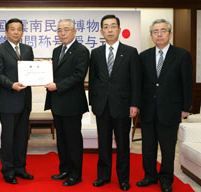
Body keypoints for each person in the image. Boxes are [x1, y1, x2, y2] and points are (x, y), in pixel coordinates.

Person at [137, 19, 193, 192]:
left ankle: (166, 179)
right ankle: (150, 176)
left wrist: (186, 107)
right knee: (148, 146)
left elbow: (187, 83)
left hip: (170, 109)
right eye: (155, 31)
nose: (159, 34)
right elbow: (139, 84)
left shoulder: (182, 55)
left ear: (170, 33)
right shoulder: (144, 56)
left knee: (168, 148)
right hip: (148, 109)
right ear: (151, 35)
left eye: (163, 30)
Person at [89, 15, 140, 191]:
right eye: (106, 27)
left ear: (119, 29)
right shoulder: (95, 53)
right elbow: (94, 81)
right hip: (102, 106)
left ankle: (123, 179)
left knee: (122, 144)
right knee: (103, 143)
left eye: (113, 26)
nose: (109, 30)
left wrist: (134, 104)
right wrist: (93, 103)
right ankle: (103, 176)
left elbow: (135, 81)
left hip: (123, 106)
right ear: (101, 31)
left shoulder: (131, 52)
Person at [45, 19, 89, 187]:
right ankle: (64, 169)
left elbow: (79, 75)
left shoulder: (82, 51)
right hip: (57, 102)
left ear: (74, 31)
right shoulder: (57, 51)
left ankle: (75, 174)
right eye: (59, 30)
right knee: (62, 139)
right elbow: (53, 73)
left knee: (73, 140)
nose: (62, 33)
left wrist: (57, 85)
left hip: (72, 103)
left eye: (66, 29)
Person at [0, 18, 34, 184]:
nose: (16, 32)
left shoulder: (27, 49)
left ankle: (20, 168)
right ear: (7, 32)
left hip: (25, 101)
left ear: (22, 32)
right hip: (8, 99)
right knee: (8, 137)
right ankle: (8, 170)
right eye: (13, 29)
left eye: (19, 29)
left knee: (22, 137)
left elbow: (31, 71)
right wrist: (11, 85)